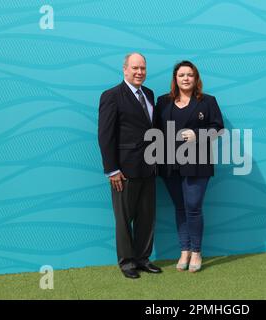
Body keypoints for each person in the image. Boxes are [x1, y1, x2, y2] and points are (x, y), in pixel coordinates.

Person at [154, 60, 224, 272]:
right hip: (170, 164)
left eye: (190, 75)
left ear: (196, 78)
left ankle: (196, 252)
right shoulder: (163, 102)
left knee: (193, 208)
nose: (185, 78)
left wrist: (198, 134)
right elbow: (155, 131)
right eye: (181, 75)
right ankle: (184, 250)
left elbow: (218, 129)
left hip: (198, 163)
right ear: (175, 79)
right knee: (180, 208)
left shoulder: (208, 101)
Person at [98, 53, 162, 279]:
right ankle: (127, 263)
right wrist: (112, 169)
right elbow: (105, 135)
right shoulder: (111, 96)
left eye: (143, 68)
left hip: (149, 167)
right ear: (125, 69)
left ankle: (143, 258)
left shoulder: (149, 94)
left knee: (147, 216)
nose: (139, 72)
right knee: (124, 219)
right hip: (123, 171)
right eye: (135, 68)